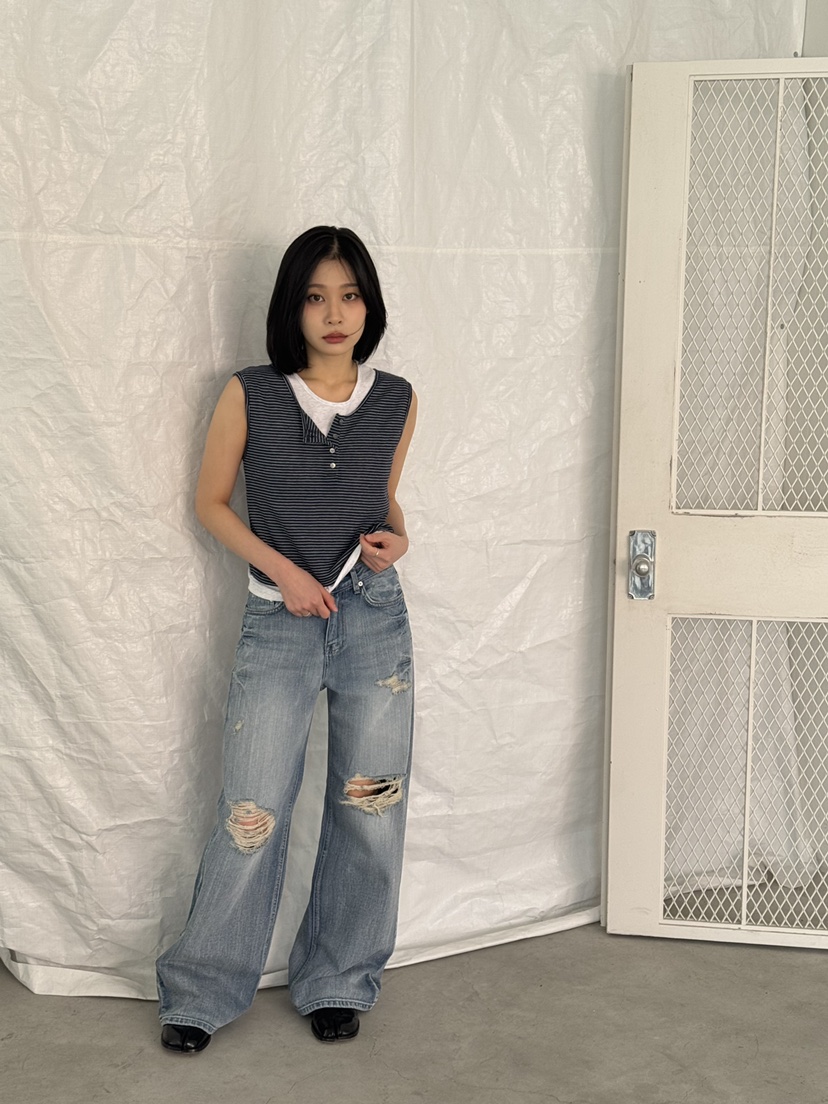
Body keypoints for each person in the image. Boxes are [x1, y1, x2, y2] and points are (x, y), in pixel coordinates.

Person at [156, 226, 417, 1052]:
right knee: (253, 807)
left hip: (373, 616)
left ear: (369, 305)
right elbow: (210, 503)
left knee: (370, 807)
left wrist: (399, 538)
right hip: (280, 618)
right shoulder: (252, 393)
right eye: (315, 296)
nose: (334, 314)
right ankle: (203, 988)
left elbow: (383, 497)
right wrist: (288, 575)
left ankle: (339, 978)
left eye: (349, 295)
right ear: (291, 307)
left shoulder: (398, 398)